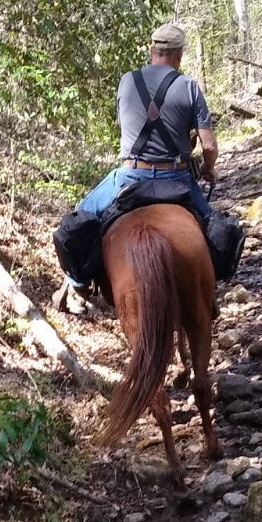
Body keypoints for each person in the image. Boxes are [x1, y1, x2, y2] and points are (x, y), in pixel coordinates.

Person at [54, 22, 219, 311]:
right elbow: (209, 146)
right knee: (215, 230)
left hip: (130, 174)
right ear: (179, 54)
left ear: (151, 50)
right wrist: (206, 167)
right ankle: (208, 295)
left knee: (79, 219)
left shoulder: (127, 82)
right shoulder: (190, 87)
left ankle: (77, 285)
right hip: (177, 177)